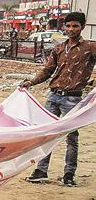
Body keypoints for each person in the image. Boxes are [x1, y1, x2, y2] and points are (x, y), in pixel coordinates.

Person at [22, 12, 96, 187]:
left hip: (73, 98)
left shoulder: (90, 47)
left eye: (75, 26)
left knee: (71, 137)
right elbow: (48, 70)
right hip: (54, 96)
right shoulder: (59, 48)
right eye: (68, 26)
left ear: (82, 26)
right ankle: (41, 170)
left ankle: (69, 174)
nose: (71, 29)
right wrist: (31, 82)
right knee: (46, 134)